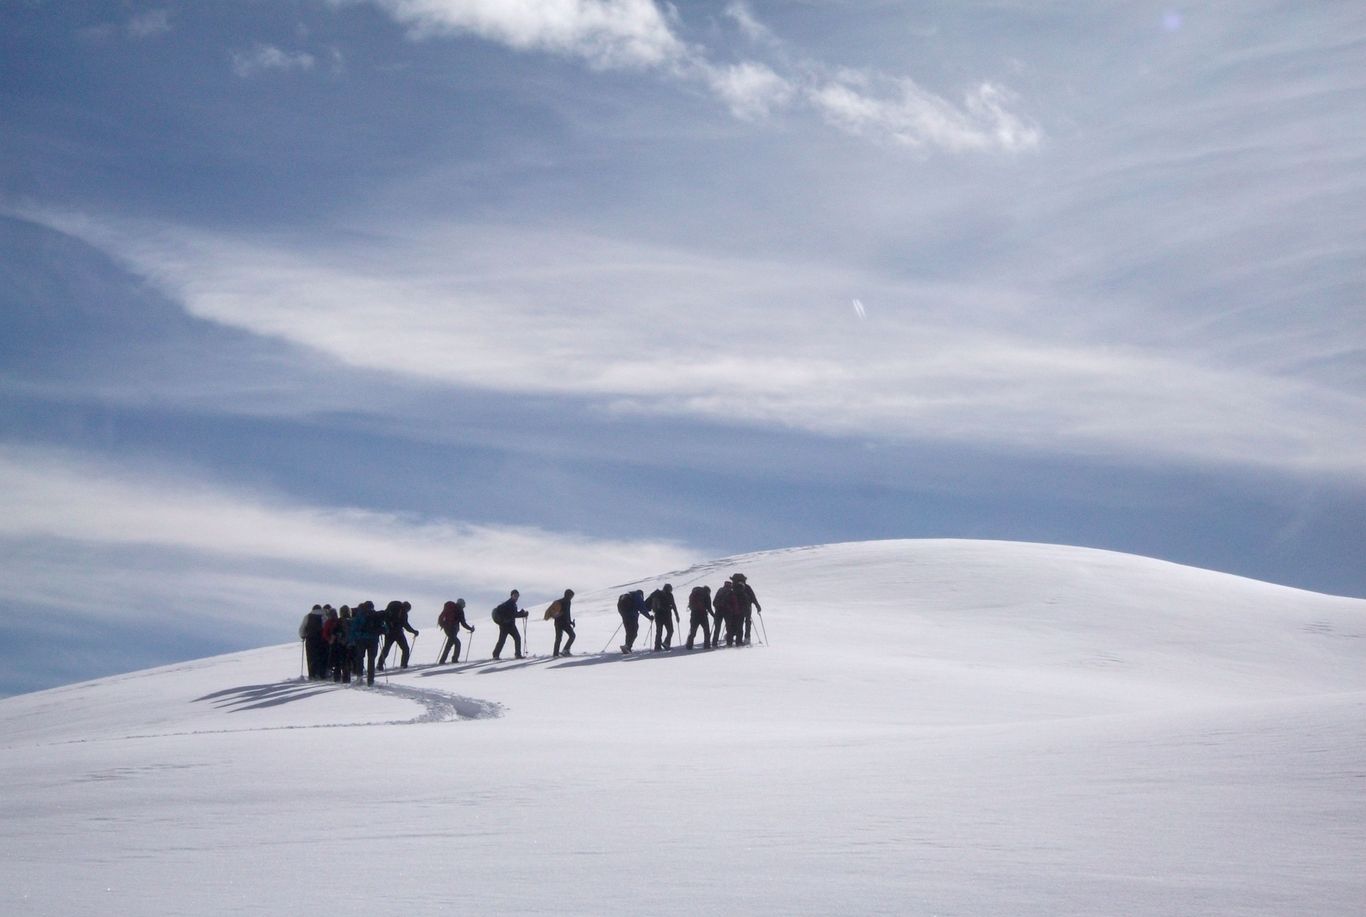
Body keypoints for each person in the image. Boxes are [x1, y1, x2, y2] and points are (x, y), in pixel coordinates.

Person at [350, 600, 384, 686]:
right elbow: (384, 627)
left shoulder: (360, 615)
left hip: (361, 640)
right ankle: (371, 680)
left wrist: (353, 639)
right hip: (374, 640)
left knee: (360, 658)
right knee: (371, 659)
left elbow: (354, 628)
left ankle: (360, 677)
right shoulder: (376, 615)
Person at [378, 600, 419, 670]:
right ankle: (404, 665)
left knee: (386, 649)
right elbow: (406, 625)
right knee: (405, 649)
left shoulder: (394, 609)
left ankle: (380, 665)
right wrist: (414, 631)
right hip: (398, 633)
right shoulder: (403, 613)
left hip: (389, 633)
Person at [491, 590, 528, 659]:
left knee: (506, 640)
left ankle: (496, 654)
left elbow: (513, 614)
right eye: (515, 595)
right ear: (512, 596)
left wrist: (522, 614)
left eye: (517, 596)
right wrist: (522, 614)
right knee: (511, 639)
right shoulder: (510, 603)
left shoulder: (512, 603)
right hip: (506, 625)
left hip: (508, 625)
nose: (516, 597)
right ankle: (517, 655)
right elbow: (513, 614)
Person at [615, 588, 653, 654]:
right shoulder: (637, 596)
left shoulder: (625, 595)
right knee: (634, 632)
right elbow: (642, 609)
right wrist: (649, 617)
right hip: (631, 616)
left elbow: (619, 607)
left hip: (624, 614)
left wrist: (624, 615)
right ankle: (627, 647)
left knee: (629, 631)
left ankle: (627, 646)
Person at [437, 599, 475, 664]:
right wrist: (470, 629)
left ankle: (442, 660)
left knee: (449, 644)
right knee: (457, 643)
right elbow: (463, 623)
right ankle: (454, 660)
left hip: (447, 628)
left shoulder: (451, 608)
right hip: (453, 629)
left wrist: (443, 625)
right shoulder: (460, 610)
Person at [647, 584, 680, 651]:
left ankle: (657, 646)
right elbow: (673, 605)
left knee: (659, 631)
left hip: (658, 615)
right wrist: (677, 615)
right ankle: (666, 643)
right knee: (670, 630)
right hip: (667, 615)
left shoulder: (657, 594)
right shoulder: (669, 595)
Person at [732, 573, 761, 645]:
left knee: (739, 623)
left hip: (738, 608)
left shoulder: (734, 587)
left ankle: (737, 639)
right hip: (747, 608)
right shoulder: (747, 587)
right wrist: (757, 605)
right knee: (748, 622)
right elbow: (753, 597)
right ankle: (747, 638)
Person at [545, 589, 576, 657]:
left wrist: (570, 621)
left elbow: (564, 613)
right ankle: (565, 650)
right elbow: (567, 613)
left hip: (557, 622)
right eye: (572, 596)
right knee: (572, 635)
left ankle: (555, 654)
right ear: (569, 595)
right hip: (564, 623)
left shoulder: (560, 601)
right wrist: (570, 622)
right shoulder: (567, 601)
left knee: (558, 639)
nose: (572, 597)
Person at [299, 604, 326, 679]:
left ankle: (312, 674)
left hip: (310, 639)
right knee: (321, 656)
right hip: (321, 639)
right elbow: (325, 626)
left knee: (311, 657)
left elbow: (302, 628)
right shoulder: (323, 616)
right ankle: (322, 674)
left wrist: (303, 636)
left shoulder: (308, 616)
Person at [686, 585, 712, 650]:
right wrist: (714, 615)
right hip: (702, 614)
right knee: (706, 631)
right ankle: (707, 645)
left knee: (693, 631)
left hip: (694, 614)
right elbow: (709, 607)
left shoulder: (694, 593)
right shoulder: (706, 594)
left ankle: (689, 645)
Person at [713, 579, 738, 647]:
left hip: (718, 611)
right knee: (729, 628)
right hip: (727, 612)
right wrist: (734, 612)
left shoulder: (720, 590)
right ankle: (729, 643)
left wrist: (717, 608)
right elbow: (734, 603)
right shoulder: (731, 592)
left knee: (717, 628)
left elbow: (714, 602)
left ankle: (714, 643)